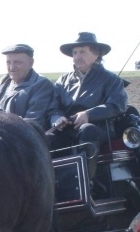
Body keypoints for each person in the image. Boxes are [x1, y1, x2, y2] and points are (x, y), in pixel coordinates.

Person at [46, 32, 128, 176]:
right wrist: (57, 120)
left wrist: (88, 114)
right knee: (47, 139)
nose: (77, 56)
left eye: (82, 52)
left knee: (87, 130)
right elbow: (53, 108)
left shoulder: (111, 79)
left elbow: (117, 105)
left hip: (100, 128)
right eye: (75, 53)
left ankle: (85, 180)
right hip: (67, 128)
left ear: (96, 55)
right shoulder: (62, 80)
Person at [0, 44, 55, 137]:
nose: (11, 67)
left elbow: (33, 122)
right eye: (8, 62)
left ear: (31, 63)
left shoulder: (41, 85)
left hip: (23, 143)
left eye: (17, 62)